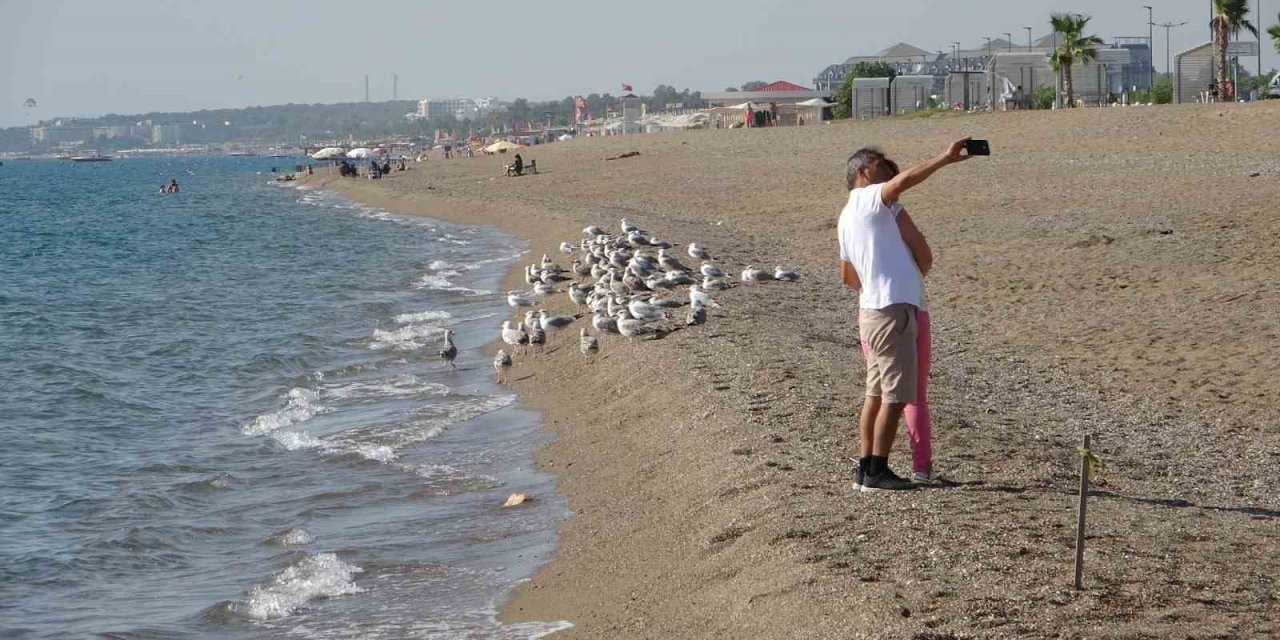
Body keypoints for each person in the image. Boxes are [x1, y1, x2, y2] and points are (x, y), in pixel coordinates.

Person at [838, 139, 976, 492]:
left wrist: (877, 283)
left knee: (875, 392)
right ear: (863, 171)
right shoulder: (870, 199)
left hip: (871, 308)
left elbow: (847, 275)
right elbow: (904, 183)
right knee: (896, 395)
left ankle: (866, 466)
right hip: (891, 309)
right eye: (883, 168)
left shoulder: (846, 216)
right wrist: (944, 158)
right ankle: (877, 472)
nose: (890, 176)